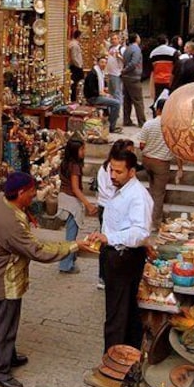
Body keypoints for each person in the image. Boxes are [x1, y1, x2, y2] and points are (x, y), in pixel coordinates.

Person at [0, 172, 82, 387]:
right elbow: (39, 251)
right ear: (19, 193)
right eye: (31, 192)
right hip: (3, 278)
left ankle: (9, 355)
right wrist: (74, 246)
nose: (34, 195)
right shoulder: (12, 224)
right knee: (5, 323)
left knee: (9, 318)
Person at [86, 148, 153, 352]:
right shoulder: (121, 190)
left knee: (117, 314)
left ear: (132, 172)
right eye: (111, 170)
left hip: (124, 258)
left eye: (118, 172)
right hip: (116, 255)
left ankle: (113, 362)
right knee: (125, 311)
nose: (113, 176)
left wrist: (110, 237)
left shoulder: (137, 196)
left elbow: (140, 232)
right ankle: (127, 357)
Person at [94, 138, 136, 290]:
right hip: (107, 208)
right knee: (107, 243)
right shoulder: (106, 170)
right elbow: (107, 191)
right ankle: (103, 276)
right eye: (129, 151)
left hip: (116, 208)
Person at [56, 138, 99, 274]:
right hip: (71, 201)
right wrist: (88, 204)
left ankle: (70, 259)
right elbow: (75, 188)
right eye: (82, 149)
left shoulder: (65, 163)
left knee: (70, 232)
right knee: (71, 235)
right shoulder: (75, 166)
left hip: (64, 197)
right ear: (75, 151)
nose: (84, 151)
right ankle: (65, 264)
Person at [139, 99, 181, 227]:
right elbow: (177, 148)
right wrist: (180, 167)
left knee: (152, 190)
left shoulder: (148, 124)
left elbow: (142, 144)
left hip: (147, 160)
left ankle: (147, 217)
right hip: (161, 164)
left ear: (157, 110)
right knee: (158, 194)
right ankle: (155, 223)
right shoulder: (172, 127)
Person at [83, 56, 122, 134]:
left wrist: (106, 92)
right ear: (98, 63)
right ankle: (111, 127)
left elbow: (103, 85)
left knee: (113, 99)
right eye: (102, 62)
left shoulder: (100, 72)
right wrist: (103, 94)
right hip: (93, 97)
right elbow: (92, 90)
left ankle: (109, 122)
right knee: (116, 103)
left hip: (98, 95)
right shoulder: (93, 73)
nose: (103, 64)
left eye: (105, 63)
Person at [121, 32, 146, 127]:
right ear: (136, 38)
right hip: (133, 76)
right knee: (138, 100)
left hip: (127, 77)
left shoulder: (127, 49)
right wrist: (125, 70)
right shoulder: (136, 49)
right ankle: (142, 121)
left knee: (127, 100)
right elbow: (134, 63)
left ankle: (126, 120)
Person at [149, 34, 179, 103]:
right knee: (169, 99)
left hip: (158, 80)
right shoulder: (173, 52)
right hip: (170, 80)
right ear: (166, 41)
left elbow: (151, 69)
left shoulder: (153, 53)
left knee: (158, 99)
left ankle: (157, 112)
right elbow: (178, 66)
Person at [105, 33, 124, 105]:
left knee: (117, 92)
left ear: (119, 40)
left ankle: (118, 108)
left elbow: (125, 60)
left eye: (115, 39)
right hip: (110, 73)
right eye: (112, 39)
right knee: (111, 93)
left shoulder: (121, 49)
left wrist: (119, 56)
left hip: (117, 73)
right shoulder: (110, 48)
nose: (113, 41)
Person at [68, 30, 84, 102]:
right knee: (75, 83)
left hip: (76, 66)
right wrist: (79, 65)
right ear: (78, 36)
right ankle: (74, 99)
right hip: (76, 67)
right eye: (81, 36)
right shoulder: (74, 45)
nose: (82, 38)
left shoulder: (75, 44)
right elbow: (74, 57)